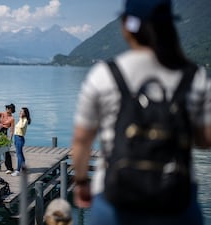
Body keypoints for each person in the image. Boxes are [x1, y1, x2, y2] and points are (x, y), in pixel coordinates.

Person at [71, 0, 211, 225]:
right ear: (168, 25)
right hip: (176, 200)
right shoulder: (194, 76)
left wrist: (80, 181)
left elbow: (81, 140)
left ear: (126, 26)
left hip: (114, 198)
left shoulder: (104, 74)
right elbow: (205, 140)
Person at [11, 107, 31, 176]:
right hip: (16, 137)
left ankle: (17, 171)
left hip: (20, 138)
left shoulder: (25, 120)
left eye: (21, 111)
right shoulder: (21, 119)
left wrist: (20, 118)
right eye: (20, 111)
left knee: (18, 155)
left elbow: (21, 127)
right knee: (20, 154)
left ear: (25, 113)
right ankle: (23, 167)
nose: (20, 112)